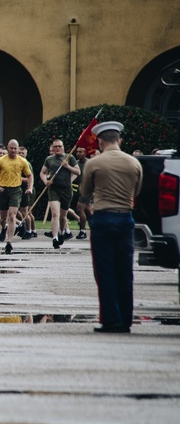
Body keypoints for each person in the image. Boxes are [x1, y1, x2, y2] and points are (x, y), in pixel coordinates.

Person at [78, 121, 142, 334]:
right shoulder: (134, 163)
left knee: (105, 271)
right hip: (125, 218)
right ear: (119, 140)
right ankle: (126, 320)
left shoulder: (94, 164)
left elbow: (85, 192)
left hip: (103, 218)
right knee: (125, 270)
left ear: (100, 141)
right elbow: (136, 193)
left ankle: (111, 320)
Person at [0, 139, 34, 255]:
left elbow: (29, 175)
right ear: (7, 148)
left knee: (12, 216)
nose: (13, 150)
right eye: (11, 148)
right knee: (3, 218)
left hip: (16, 190)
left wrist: (29, 187)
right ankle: (3, 228)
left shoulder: (22, 161)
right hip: (3, 190)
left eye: (15, 148)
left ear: (18, 149)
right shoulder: (0, 160)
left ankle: (9, 242)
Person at [40, 138, 80, 248]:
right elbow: (42, 173)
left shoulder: (69, 157)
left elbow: (78, 172)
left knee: (63, 216)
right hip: (54, 189)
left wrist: (67, 166)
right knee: (55, 214)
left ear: (63, 147)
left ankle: (62, 232)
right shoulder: (49, 159)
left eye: (59, 146)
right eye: (55, 146)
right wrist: (45, 181)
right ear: (52, 148)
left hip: (66, 190)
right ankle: (55, 238)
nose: (57, 148)